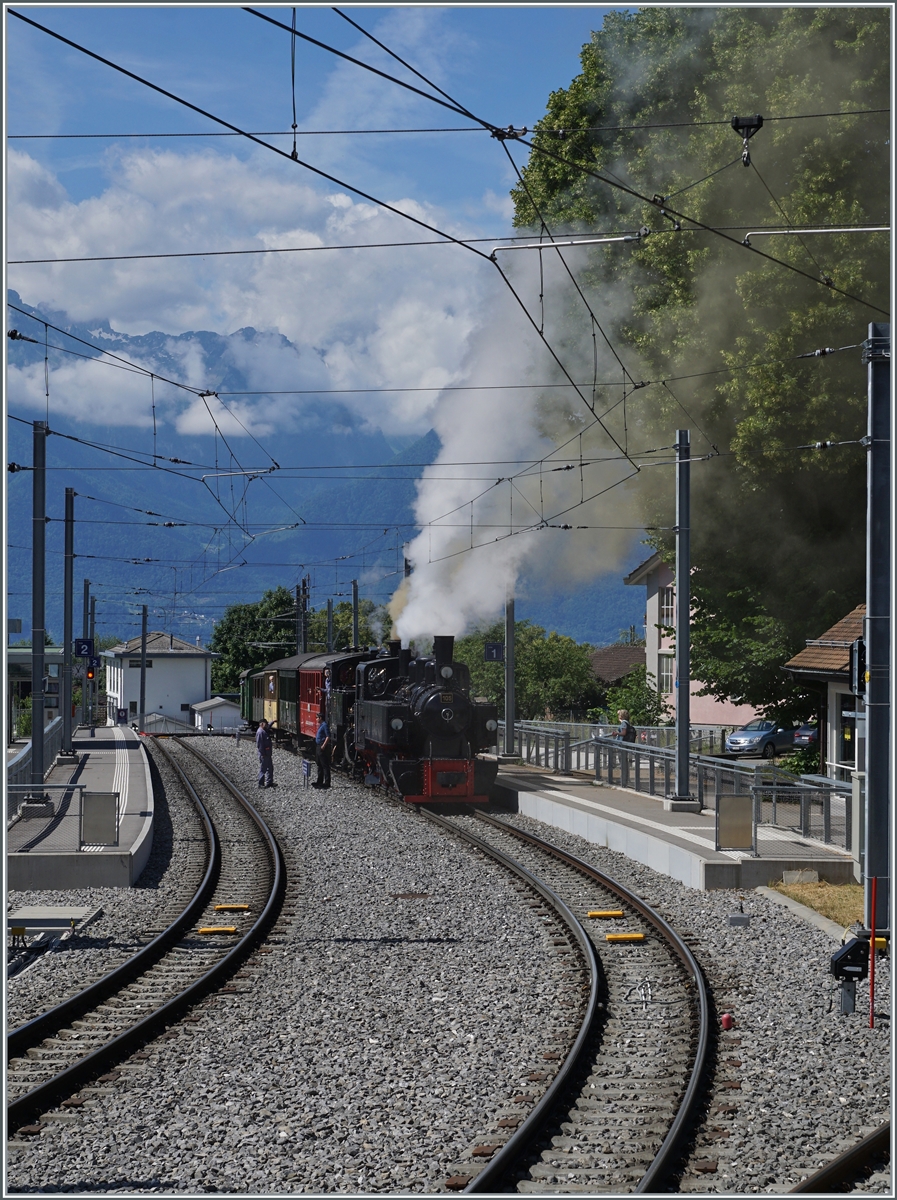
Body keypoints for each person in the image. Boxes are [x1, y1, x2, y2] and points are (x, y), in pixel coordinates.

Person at [256, 718, 275, 788]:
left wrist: (273, 722)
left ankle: (269, 782)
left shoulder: (264, 730)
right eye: (265, 724)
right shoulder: (260, 732)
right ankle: (260, 784)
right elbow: (259, 745)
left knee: (270, 768)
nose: (267, 725)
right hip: (264, 754)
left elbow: (268, 726)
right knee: (263, 769)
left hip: (268, 754)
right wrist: (263, 754)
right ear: (262, 724)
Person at [313, 716, 331, 789]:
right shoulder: (321, 725)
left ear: (320, 718)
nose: (316, 719)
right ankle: (319, 781)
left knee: (324, 765)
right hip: (318, 746)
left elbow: (328, 736)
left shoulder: (324, 725)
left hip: (322, 746)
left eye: (317, 717)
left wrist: (323, 745)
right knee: (319, 764)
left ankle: (327, 782)